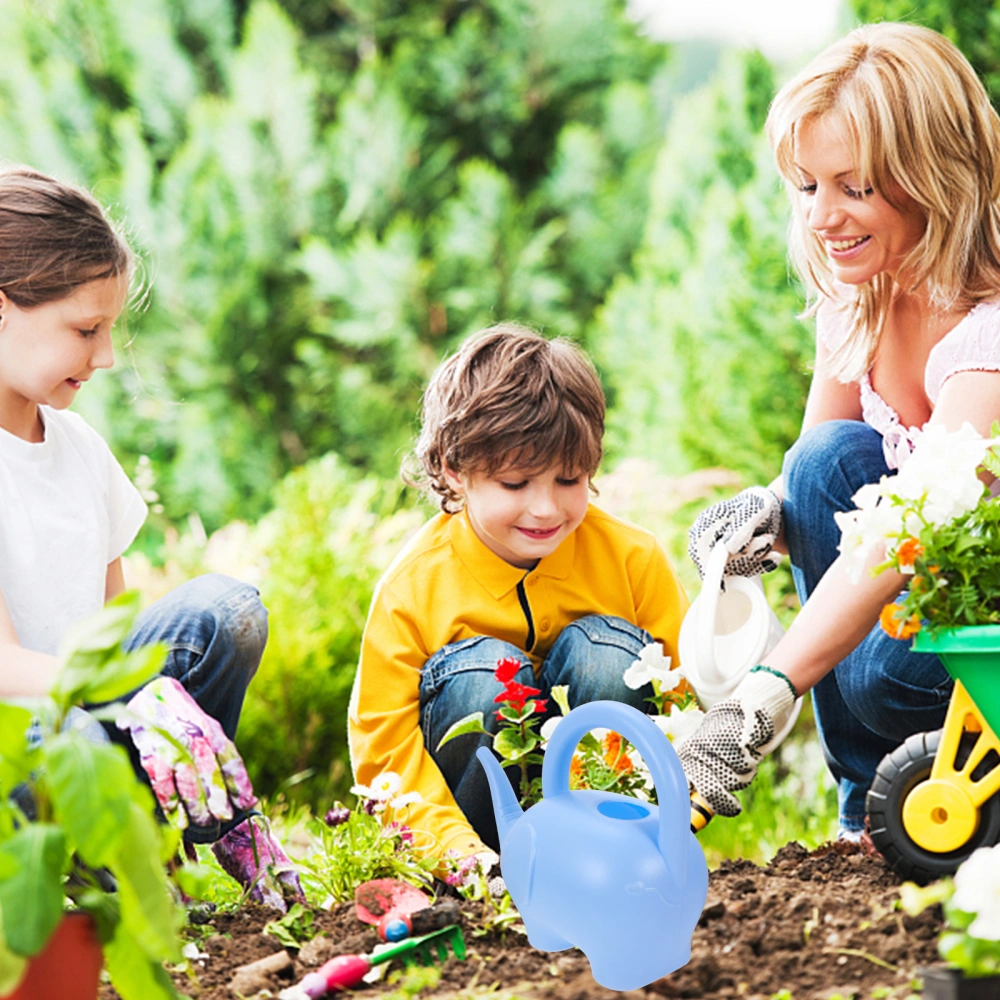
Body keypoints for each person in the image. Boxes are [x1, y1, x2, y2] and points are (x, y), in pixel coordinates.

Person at [680, 22, 1000, 841]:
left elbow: (910, 522)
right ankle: (867, 812)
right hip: (916, 595)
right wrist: (762, 514)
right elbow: (819, 475)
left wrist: (762, 695)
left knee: (879, 678)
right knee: (824, 461)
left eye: (853, 187)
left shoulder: (990, 327)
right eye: (808, 186)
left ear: (934, 176)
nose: (824, 217)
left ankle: (929, 797)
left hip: (978, 629)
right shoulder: (859, 296)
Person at [0, 165, 301, 909]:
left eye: (109, 330)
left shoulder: (80, 450)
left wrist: (153, 696)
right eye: (85, 329)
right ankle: (99, 865)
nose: (105, 357)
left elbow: (119, 632)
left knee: (226, 612)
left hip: (97, 723)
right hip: (24, 747)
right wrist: (137, 696)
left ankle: (181, 826)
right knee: (70, 739)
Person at [348, 324, 689, 860]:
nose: (547, 509)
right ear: (453, 469)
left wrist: (681, 805)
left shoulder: (631, 558)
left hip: (608, 828)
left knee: (609, 656)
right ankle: (497, 865)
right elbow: (385, 750)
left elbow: (685, 698)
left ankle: (607, 849)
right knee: (483, 673)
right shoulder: (412, 587)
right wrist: (456, 852)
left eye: (569, 480)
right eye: (516, 484)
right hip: (475, 840)